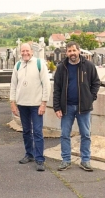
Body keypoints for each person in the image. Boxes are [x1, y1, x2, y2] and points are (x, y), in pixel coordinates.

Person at [53, 41, 100, 172]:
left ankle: (85, 160)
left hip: (83, 107)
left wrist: (91, 97)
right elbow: (57, 88)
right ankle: (66, 160)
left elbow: (96, 82)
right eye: (69, 51)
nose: (72, 53)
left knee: (85, 134)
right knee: (65, 134)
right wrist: (57, 107)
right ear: (66, 53)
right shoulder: (62, 67)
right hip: (66, 107)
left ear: (79, 51)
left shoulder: (88, 66)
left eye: (74, 50)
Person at [10, 43, 51, 171]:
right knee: (26, 131)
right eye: (23, 51)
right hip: (22, 104)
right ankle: (29, 154)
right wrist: (13, 102)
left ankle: (39, 159)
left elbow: (46, 84)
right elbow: (13, 85)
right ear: (20, 52)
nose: (25, 53)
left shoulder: (39, 64)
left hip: (36, 105)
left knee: (37, 132)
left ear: (32, 51)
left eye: (27, 51)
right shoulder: (18, 66)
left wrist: (44, 103)